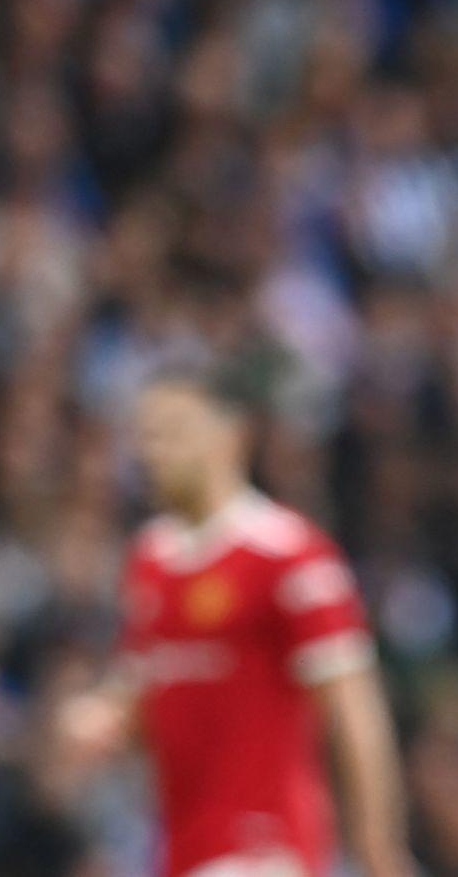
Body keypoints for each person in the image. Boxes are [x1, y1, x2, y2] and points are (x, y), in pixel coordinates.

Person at [58, 367, 412, 877]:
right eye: (146, 436)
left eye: (175, 431)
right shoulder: (151, 559)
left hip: (265, 846)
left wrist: (379, 844)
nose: (155, 452)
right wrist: (103, 715)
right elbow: (144, 689)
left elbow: (354, 707)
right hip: (181, 850)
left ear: (232, 435)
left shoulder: (289, 555)